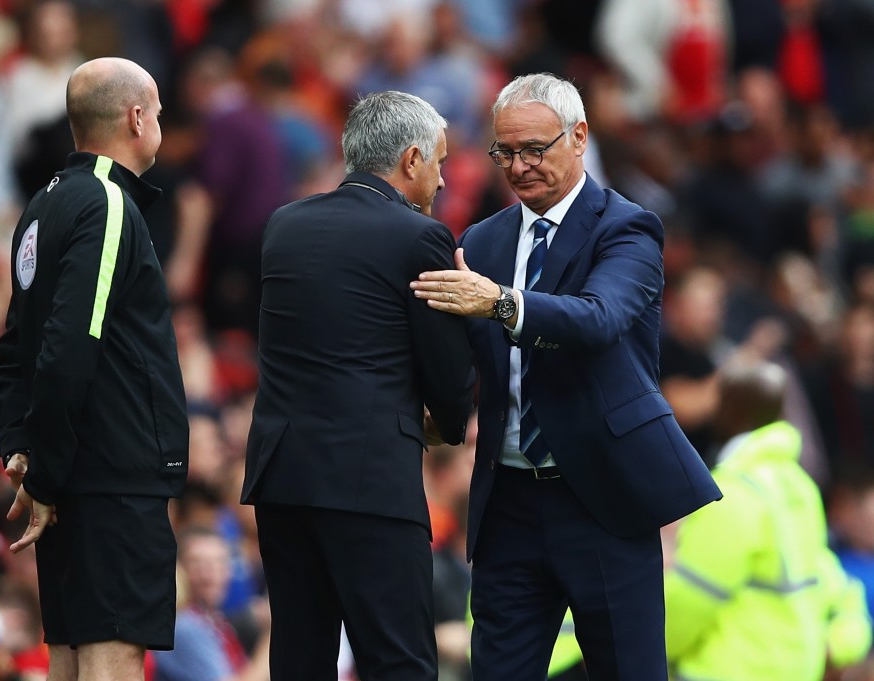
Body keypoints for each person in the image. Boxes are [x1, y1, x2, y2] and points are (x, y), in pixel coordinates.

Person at [410, 72, 721, 680]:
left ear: (579, 137)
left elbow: (598, 320)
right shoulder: (483, 240)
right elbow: (460, 354)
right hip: (509, 505)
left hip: (602, 498)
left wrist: (502, 301)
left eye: (536, 149)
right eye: (506, 152)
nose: (520, 166)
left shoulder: (626, 228)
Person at [241, 90, 474, 681]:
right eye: (441, 163)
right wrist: (446, 424)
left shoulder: (283, 225)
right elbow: (447, 372)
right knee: (398, 657)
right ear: (412, 159)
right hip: (370, 477)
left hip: (283, 474)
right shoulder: (420, 238)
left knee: (298, 655)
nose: (444, 181)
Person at [0, 57, 189, 681]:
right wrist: (42, 471)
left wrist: (25, 449)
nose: (160, 123)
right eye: (156, 112)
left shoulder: (44, 204)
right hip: (111, 477)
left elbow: (13, 352)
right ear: (135, 118)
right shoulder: (107, 203)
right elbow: (70, 347)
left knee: (72, 657)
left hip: (74, 474)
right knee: (109, 655)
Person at [664, 359, 872, 681]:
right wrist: (837, 646)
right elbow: (834, 584)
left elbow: (689, 603)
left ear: (730, 410)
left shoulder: (730, 492)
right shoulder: (798, 486)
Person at [154, 527, 269, 681]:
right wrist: (270, 638)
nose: (209, 574)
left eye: (219, 563)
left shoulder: (216, 622)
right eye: (198, 563)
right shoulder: (184, 626)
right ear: (178, 569)